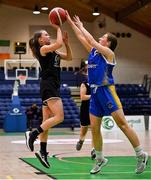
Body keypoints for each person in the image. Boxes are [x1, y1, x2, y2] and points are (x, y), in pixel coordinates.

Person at [66, 12, 148, 174]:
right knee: (95, 128)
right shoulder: (93, 52)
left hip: (107, 91)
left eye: (103, 37)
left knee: (123, 124)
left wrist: (82, 26)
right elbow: (83, 38)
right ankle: (100, 159)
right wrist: (69, 21)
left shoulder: (109, 55)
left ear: (108, 43)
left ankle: (140, 154)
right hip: (95, 94)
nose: (99, 38)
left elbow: (89, 39)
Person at [25, 21, 72, 168]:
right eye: (46, 34)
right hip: (49, 85)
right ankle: (32, 134)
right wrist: (58, 27)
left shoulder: (54, 52)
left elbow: (69, 57)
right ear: (40, 40)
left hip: (52, 86)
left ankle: (43, 152)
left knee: (47, 122)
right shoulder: (43, 49)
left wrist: (67, 43)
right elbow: (57, 43)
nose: (48, 35)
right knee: (60, 117)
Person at [76, 62, 96, 160]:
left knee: (94, 130)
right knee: (84, 129)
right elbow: (82, 97)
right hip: (85, 108)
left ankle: (93, 150)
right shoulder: (84, 85)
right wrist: (93, 96)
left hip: (95, 108)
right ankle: (81, 140)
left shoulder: (97, 84)